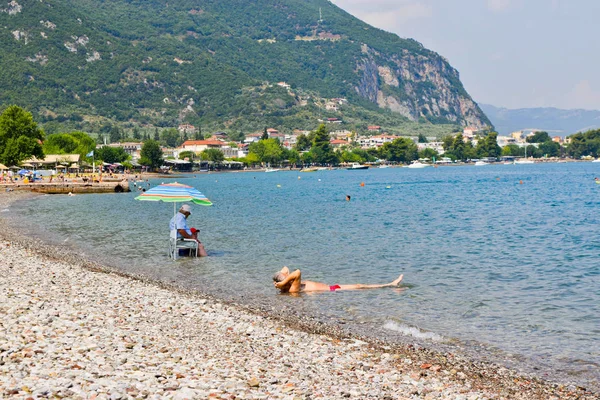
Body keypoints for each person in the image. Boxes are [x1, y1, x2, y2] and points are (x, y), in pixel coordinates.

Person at [273, 266, 403, 293]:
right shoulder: (292, 288)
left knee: (359, 285)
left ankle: (389, 284)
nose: (287, 277)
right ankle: (390, 284)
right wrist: (283, 282)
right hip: (332, 290)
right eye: (286, 279)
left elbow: (285, 268)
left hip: (332, 287)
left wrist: (280, 282)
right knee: (359, 286)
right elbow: (297, 271)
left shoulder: (288, 285)